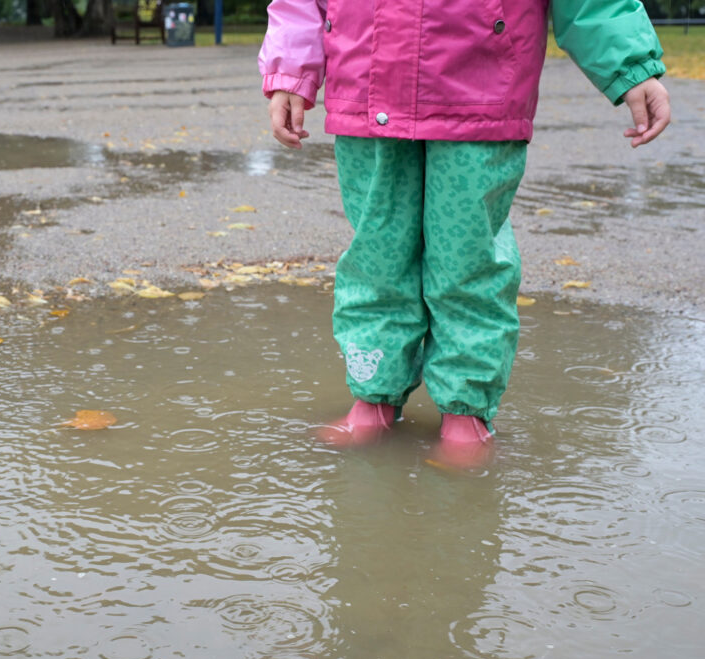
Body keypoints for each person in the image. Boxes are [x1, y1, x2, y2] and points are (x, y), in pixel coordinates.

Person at [259, 0, 671, 466]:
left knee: (468, 260)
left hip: (479, 88)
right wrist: (290, 69)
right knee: (377, 256)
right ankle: (374, 394)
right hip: (366, 88)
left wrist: (631, 65)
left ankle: (465, 409)